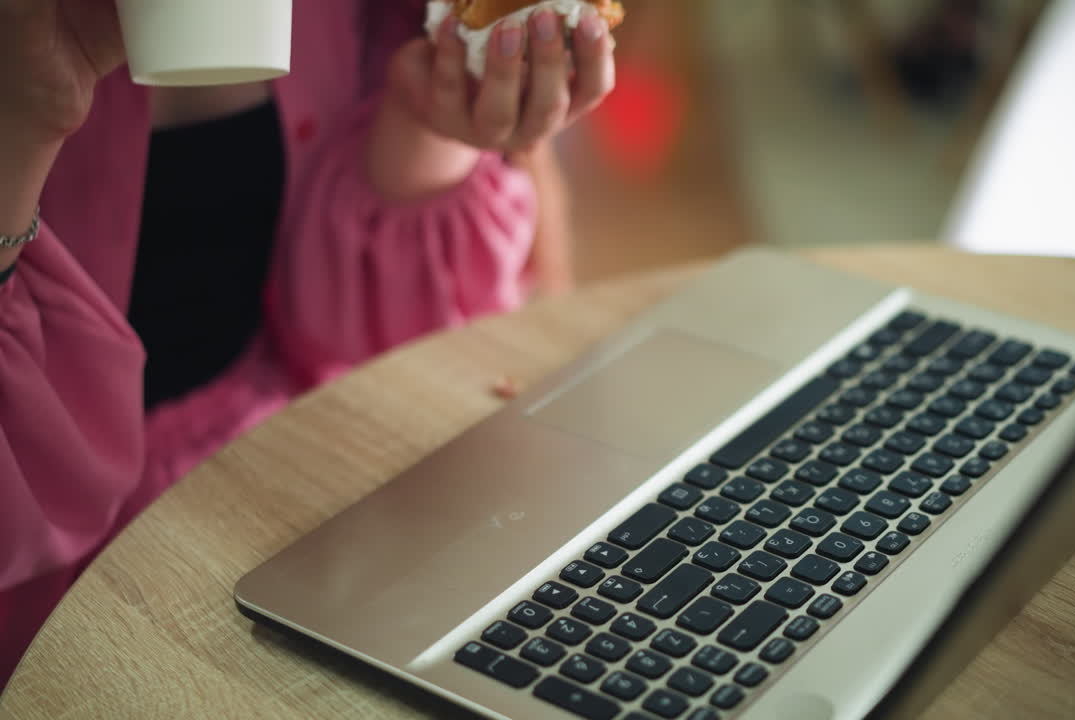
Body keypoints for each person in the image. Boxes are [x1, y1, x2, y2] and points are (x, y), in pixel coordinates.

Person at [0, 0, 616, 686]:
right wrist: (19, 124)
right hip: (37, 580)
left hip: (269, 472)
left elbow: (358, 337)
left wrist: (439, 115)